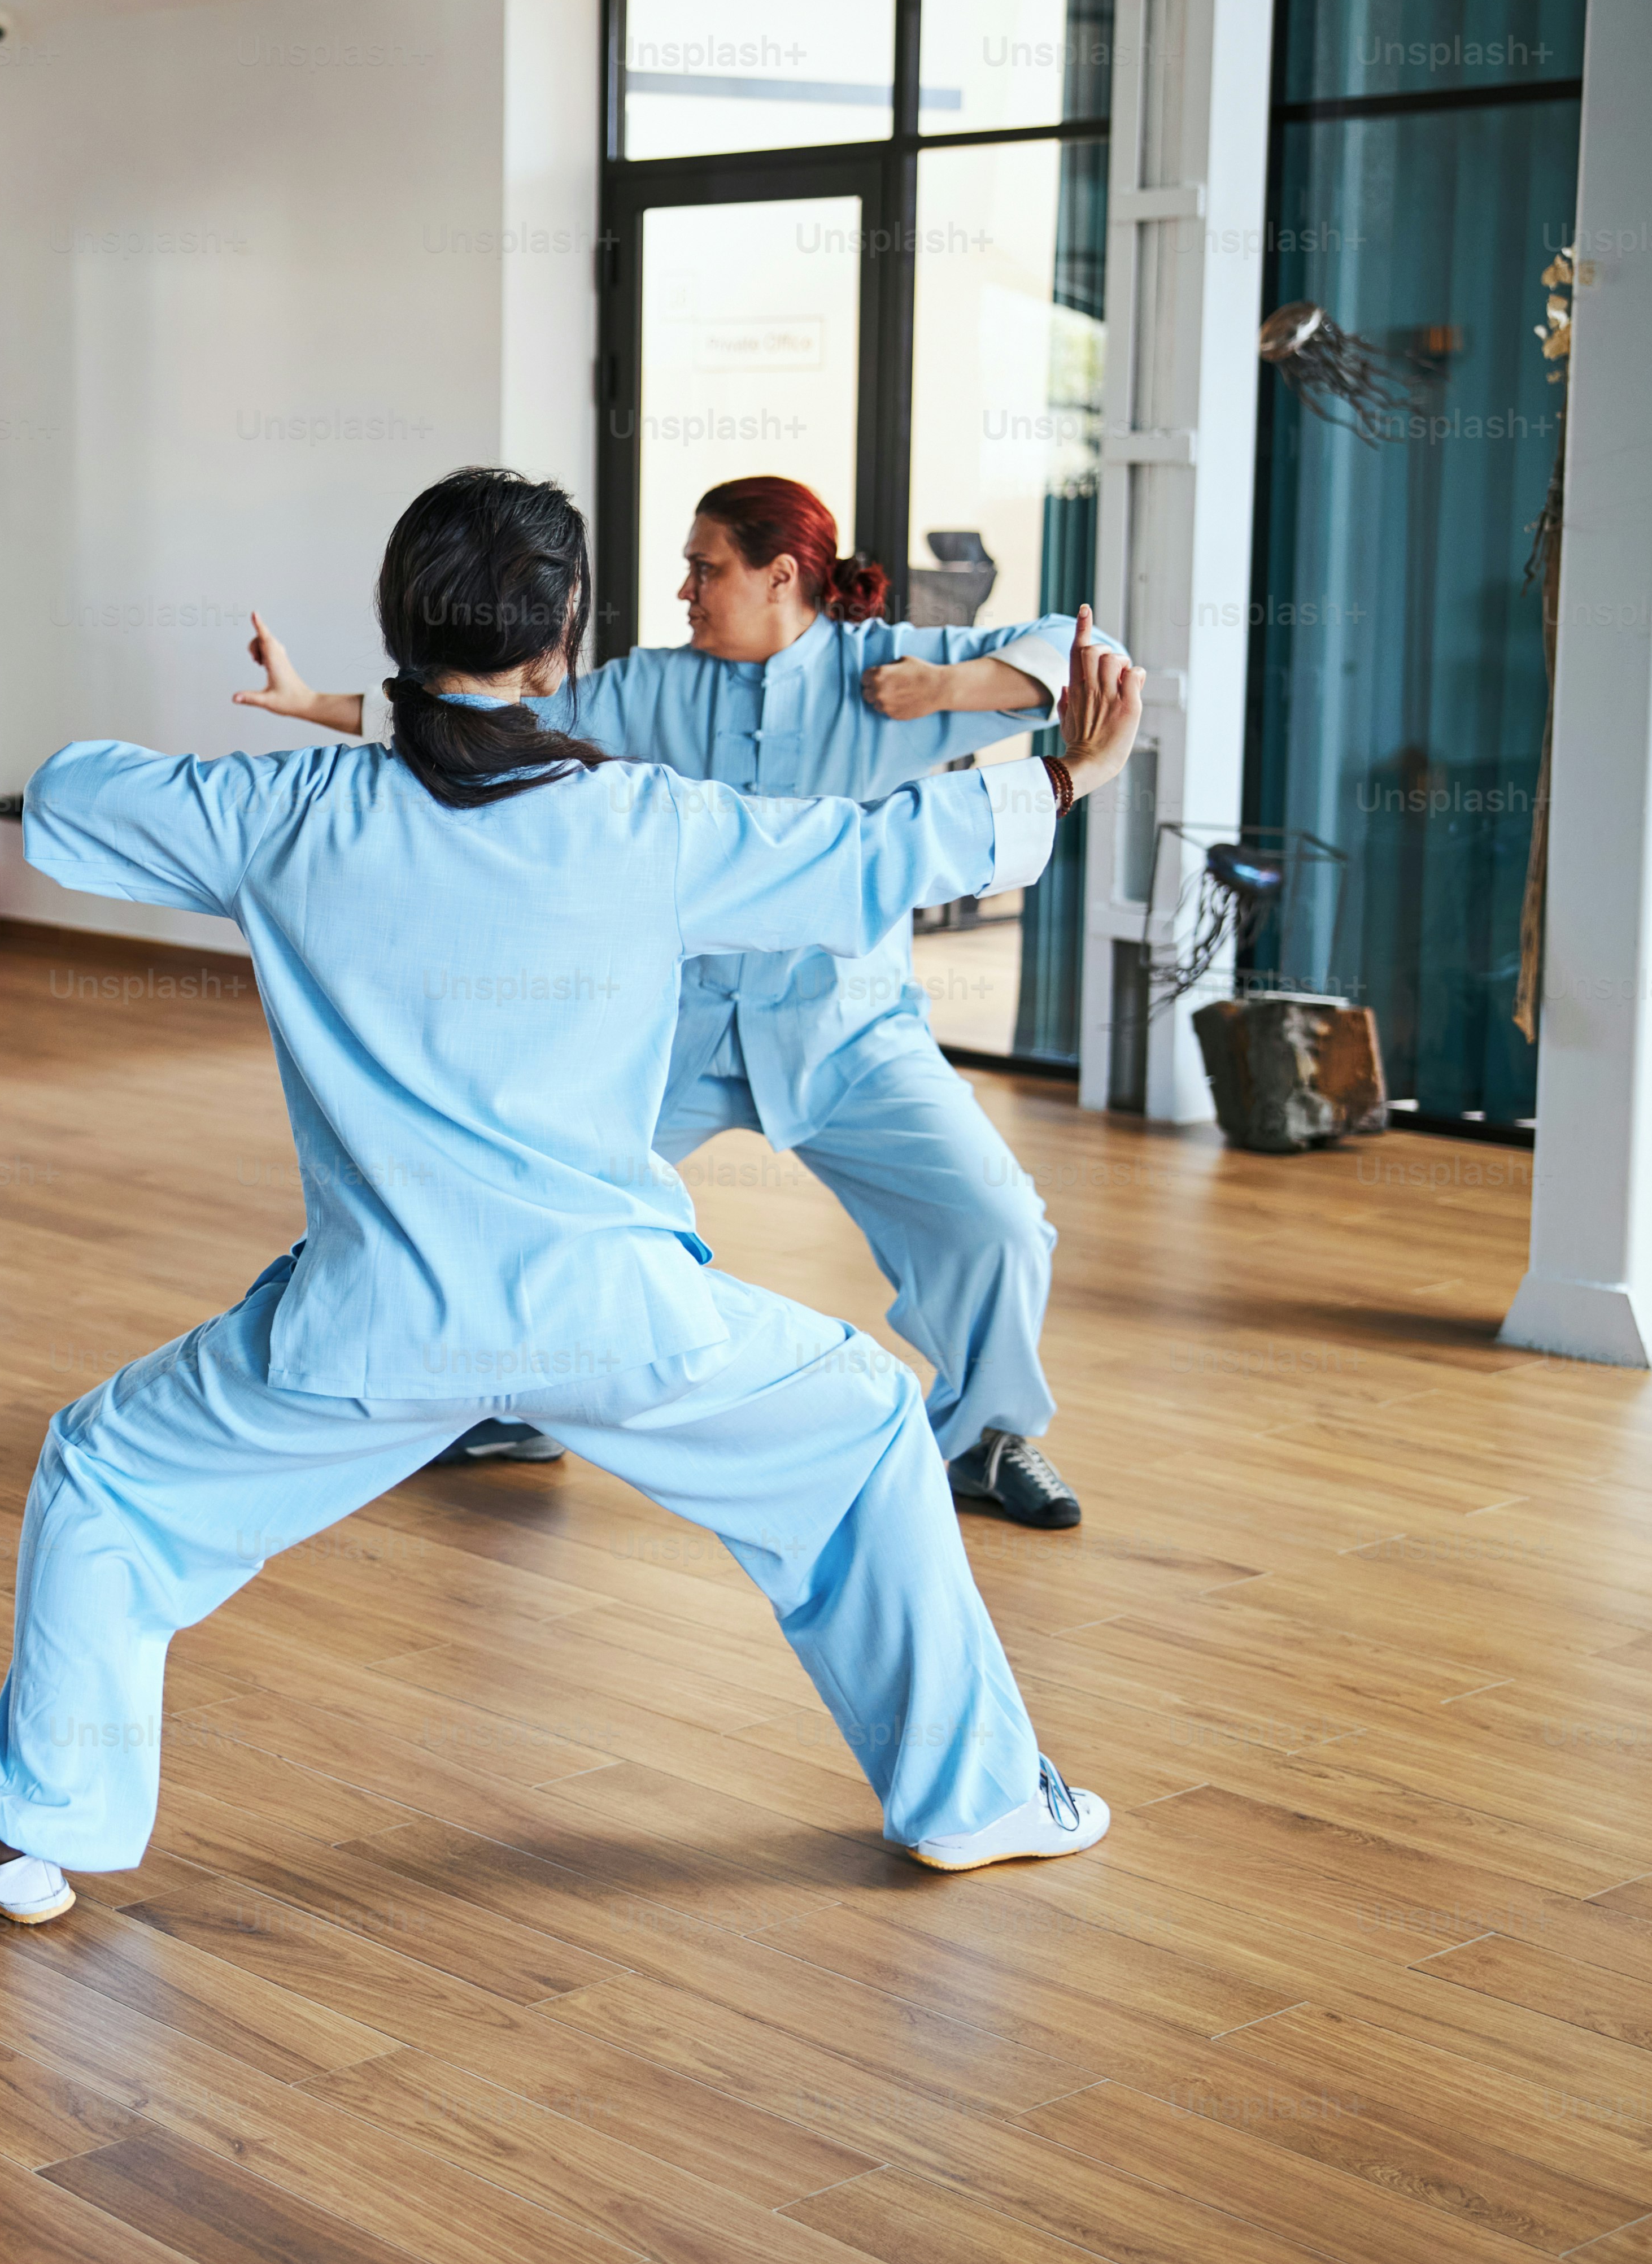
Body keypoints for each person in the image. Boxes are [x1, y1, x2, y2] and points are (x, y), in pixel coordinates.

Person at [0, 467, 1139, 1926]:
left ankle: (26, 1835)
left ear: (400, 625)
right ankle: (979, 1798)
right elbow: (881, 851)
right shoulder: (647, 823)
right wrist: (1064, 778)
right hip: (623, 1320)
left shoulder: (283, 813)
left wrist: (281, 757)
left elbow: (79, 789)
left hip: (367, 1337)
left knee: (105, 1478)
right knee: (866, 1426)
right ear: (562, 643)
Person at [237, 476, 1113, 1531]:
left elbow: (1076, 657)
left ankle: (983, 1437)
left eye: (704, 567)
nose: (682, 587)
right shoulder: (645, 687)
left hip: (850, 1032)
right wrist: (315, 703)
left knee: (998, 1221)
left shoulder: (884, 672)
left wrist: (946, 689)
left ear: (779, 575)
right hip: (677, 1033)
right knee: (522, 1189)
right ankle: (513, 1399)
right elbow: (480, 708)